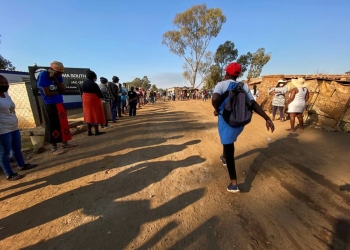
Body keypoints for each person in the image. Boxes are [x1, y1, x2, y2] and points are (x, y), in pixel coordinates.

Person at [212, 62, 275, 193]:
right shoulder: (244, 86)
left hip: (227, 121)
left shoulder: (221, 84)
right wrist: (267, 118)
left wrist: (217, 109)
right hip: (239, 122)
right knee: (228, 141)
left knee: (229, 147)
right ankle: (224, 158)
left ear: (226, 73)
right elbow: (253, 104)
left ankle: (233, 183)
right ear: (238, 74)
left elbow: (215, 98)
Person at [0, 75, 38, 181]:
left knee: (16, 148)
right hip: (2, 130)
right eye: (1, 83)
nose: (4, 85)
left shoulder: (6, 95)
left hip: (13, 127)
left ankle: (22, 165)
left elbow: (12, 109)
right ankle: (9, 174)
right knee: (4, 152)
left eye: (5, 83)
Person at [36, 61, 76, 155]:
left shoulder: (58, 76)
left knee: (63, 123)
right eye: (58, 72)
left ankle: (65, 143)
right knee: (52, 125)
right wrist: (59, 90)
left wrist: (55, 78)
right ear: (51, 69)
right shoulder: (43, 75)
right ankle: (54, 148)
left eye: (61, 73)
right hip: (50, 104)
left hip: (59, 103)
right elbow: (47, 93)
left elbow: (63, 90)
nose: (60, 74)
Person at [82, 70, 106, 136]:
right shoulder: (94, 84)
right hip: (93, 100)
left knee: (88, 115)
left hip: (85, 100)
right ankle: (96, 131)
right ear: (94, 77)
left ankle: (89, 131)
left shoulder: (84, 83)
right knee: (95, 115)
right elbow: (99, 94)